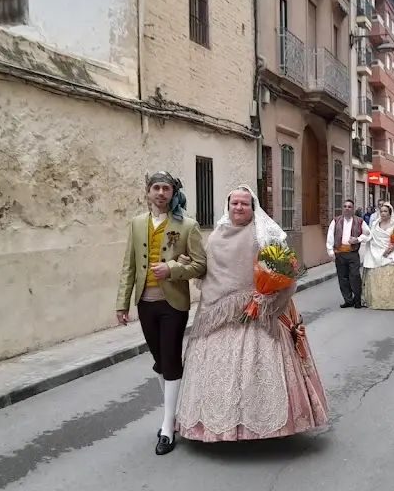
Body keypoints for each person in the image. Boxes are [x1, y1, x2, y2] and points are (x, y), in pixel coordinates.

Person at [174, 185, 329, 442]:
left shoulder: (265, 234)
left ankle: (266, 426)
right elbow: (209, 271)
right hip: (219, 309)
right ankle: (218, 426)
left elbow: (284, 269)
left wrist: (267, 297)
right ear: (228, 205)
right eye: (234, 203)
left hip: (259, 311)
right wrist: (188, 266)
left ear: (253, 207)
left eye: (244, 204)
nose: (239, 208)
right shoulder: (216, 236)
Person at [116, 171, 207, 456]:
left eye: (166, 188)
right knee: (158, 360)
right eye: (156, 187)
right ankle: (176, 413)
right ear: (148, 191)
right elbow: (128, 266)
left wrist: (173, 269)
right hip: (145, 302)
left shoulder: (187, 225)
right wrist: (122, 302)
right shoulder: (137, 224)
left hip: (173, 304)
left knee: (170, 359)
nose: (160, 193)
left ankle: (168, 426)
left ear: (172, 192)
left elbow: (201, 266)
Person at [326, 198, 365, 308]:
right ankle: (348, 300)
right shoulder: (336, 221)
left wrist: (358, 239)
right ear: (342, 208)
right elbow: (330, 236)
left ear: (353, 209)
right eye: (345, 206)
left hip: (352, 253)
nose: (347, 209)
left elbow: (368, 234)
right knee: (342, 277)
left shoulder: (360, 221)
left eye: (349, 207)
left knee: (355, 276)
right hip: (339, 253)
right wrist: (330, 252)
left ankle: (357, 299)